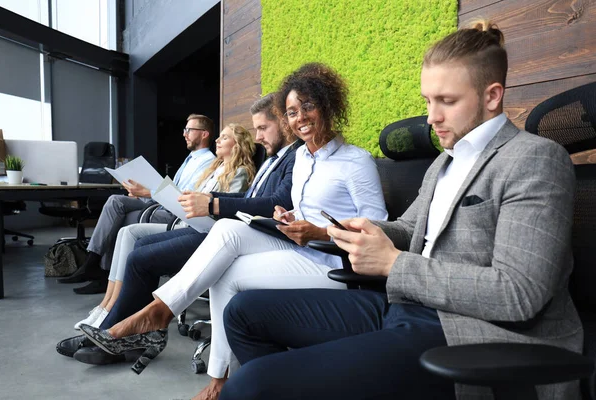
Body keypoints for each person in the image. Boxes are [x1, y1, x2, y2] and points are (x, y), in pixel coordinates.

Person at [219, 21, 583, 400]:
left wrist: (393, 264)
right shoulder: (445, 163)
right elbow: (411, 230)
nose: (431, 116)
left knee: (249, 386)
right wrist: (361, 229)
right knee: (243, 312)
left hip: (472, 333)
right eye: (428, 101)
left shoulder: (534, 159)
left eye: (447, 101)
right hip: (405, 306)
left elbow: (519, 293)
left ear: (492, 96)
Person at [79, 63, 388, 400]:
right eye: (292, 111)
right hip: (298, 248)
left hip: (332, 264)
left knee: (228, 269)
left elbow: (379, 230)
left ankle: (166, 323)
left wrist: (319, 231)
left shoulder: (356, 161)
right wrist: (290, 215)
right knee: (227, 235)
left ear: (329, 104)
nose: (300, 118)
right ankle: (207, 365)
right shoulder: (302, 159)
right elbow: (306, 208)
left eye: (308, 106)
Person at [56, 94, 298, 364]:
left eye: (262, 128)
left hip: (235, 237)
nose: (257, 137)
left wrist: (213, 204)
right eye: (255, 130)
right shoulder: (273, 159)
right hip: (219, 229)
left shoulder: (293, 158)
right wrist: (209, 200)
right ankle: (124, 334)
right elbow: (250, 199)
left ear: (284, 124)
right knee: (140, 246)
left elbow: (278, 202)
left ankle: (112, 335)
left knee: (140, 259)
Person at [71, 123, 256, 331]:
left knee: (133, 237)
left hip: (200, 229)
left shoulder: (239, 172)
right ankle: (106, 305)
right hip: (185, 221)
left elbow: (227, 208)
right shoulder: (214, 169)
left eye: (224, 137)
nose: (217, 140)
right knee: (128, 231)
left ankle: (113, 310)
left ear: (238, 145)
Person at [58, 114, 217, 295]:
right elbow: (171, 189)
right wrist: (142, 193)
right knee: (115, 201)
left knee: (122, 217)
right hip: (161, 203)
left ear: (204, 134)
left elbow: (183, 199)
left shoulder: (207, 163)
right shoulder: (189, 160)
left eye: (189, 130)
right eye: (184, 130)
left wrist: (148, 192)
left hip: (175, 212)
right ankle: (92, 262)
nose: (184, 134)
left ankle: (103, 272)